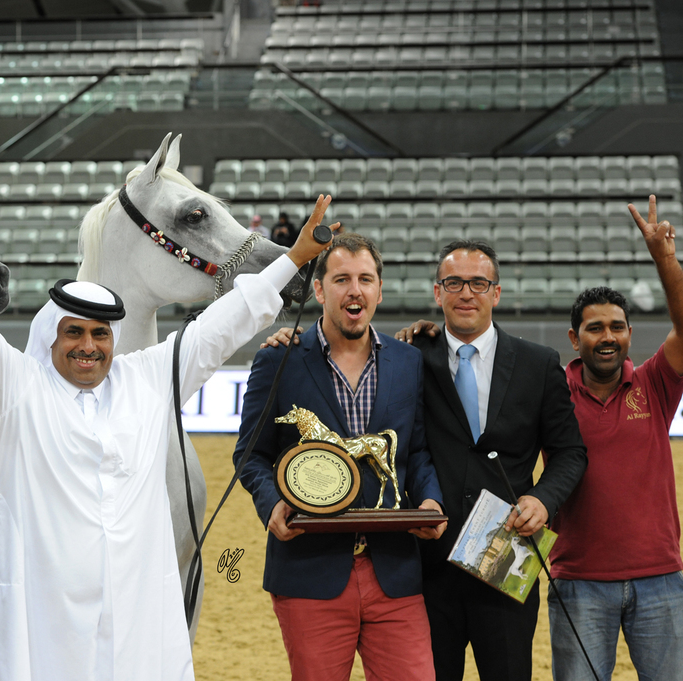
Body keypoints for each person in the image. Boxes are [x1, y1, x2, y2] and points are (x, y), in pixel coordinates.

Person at [0, 153, 335, 681]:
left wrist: (292, 259)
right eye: (75, 332)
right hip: (40, 633)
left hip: (131, 630)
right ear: (52, 336)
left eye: (101, 334)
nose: (89, 346)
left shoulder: (146, 381)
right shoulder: (14, 389)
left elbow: (222, 327)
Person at [238, 232, 446, 680]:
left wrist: (431, 500)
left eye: (366, 279)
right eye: (341, 279)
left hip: (394, 572)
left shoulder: (408, 362)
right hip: (310, 572)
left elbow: (418, 450)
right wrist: (271, 502)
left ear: (378, 290)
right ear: (319, 289)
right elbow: (250, 456)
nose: (355, 289)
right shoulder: (279, 360)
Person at [396, 240, 588, 681]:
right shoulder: (407, 357)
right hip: (425, 566)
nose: (467, 293)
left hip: (505, 562)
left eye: (479, 283)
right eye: (454, 282)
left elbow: (570, 452)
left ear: (496, 293)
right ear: (437, 292)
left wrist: (544, 499)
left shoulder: (540, 364)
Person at [546, 196, 683, 680]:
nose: (608, 336)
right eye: (595, 327)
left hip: (661, 578)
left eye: (618, 327)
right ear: (573, 337)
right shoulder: (550, 394)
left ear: (630, 333)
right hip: (578, 581)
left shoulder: (654, 384)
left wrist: (664, 258)